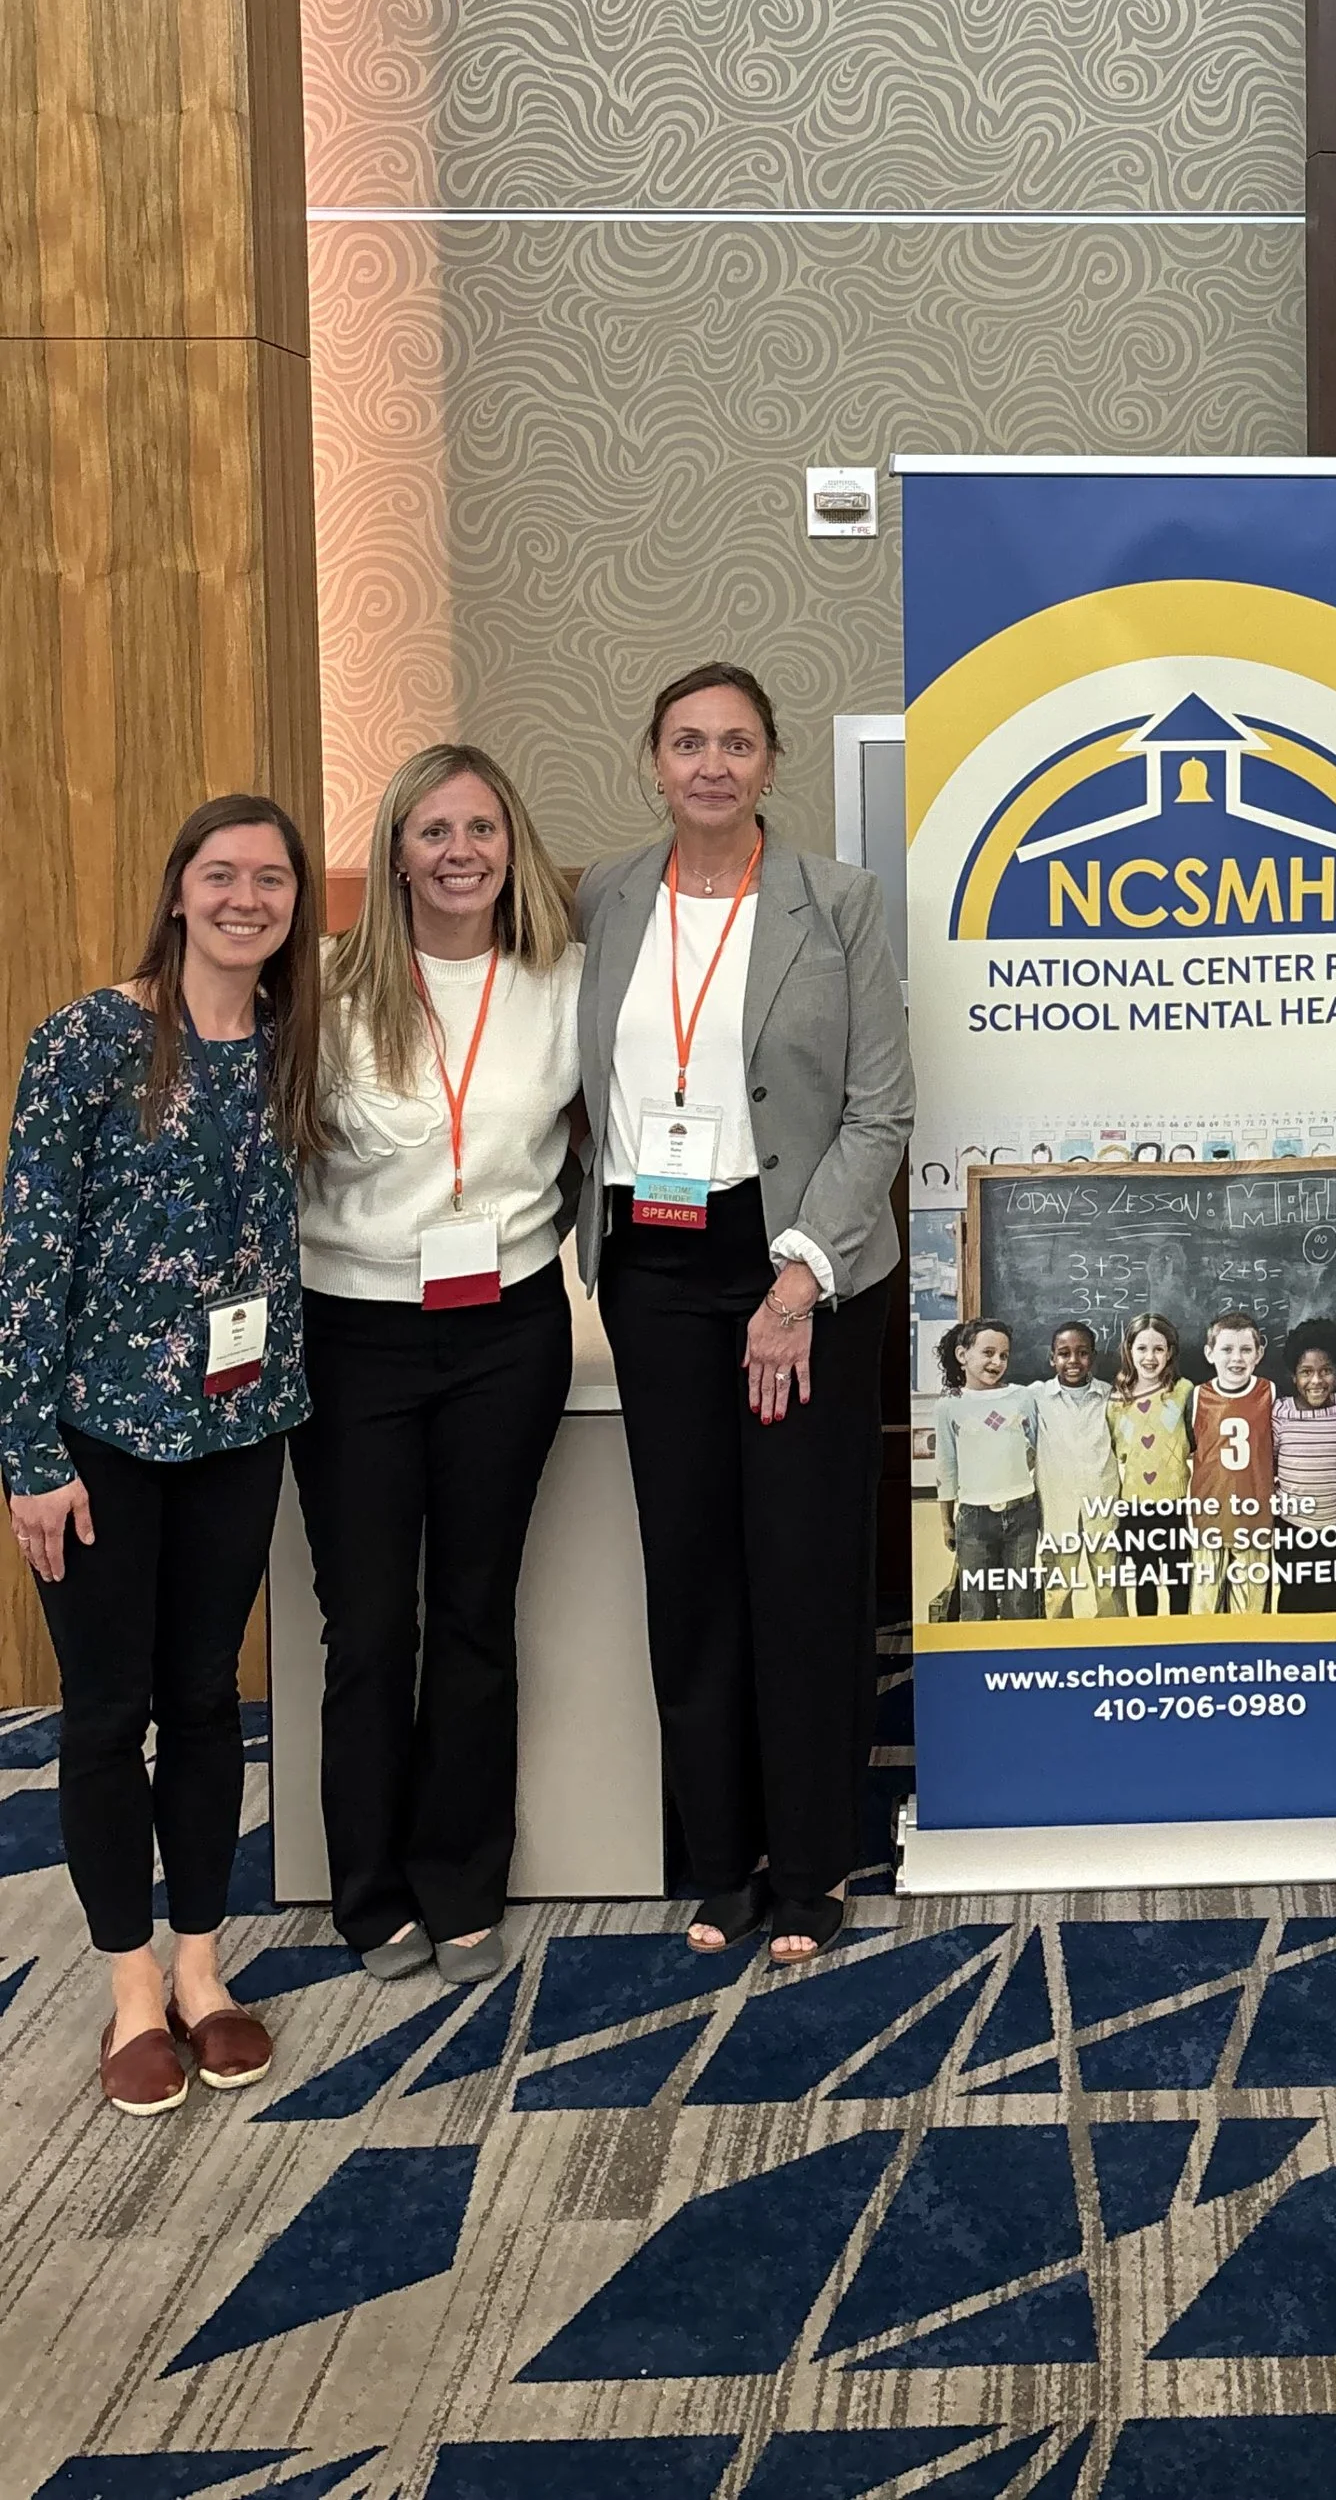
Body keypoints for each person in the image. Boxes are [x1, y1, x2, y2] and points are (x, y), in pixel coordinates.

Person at [577, 663, 912, 1967]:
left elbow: (879, 1110)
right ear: (653, 761)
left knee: (807, 1568)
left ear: (772, 764)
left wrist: (795, 1283)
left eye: (735, 743)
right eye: (685, 742)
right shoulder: (606, 897)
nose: (710, 764)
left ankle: (816, 1862)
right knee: (695, 1568)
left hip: (804, 1268)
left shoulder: (840, 904)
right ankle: (721, 1861)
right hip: (656, 1269)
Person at [2, 797, 328, 2114]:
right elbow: (30, 1255)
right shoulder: (90, 1040)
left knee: (203, 1702)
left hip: (241, 1428)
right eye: (222, 873)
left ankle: (204, 1971)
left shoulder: (299, 1047)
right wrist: (27, 1452)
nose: (248, 896)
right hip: (101, 1433)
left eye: (272, 878)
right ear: (179, 889)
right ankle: (130, 1990)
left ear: (296, 904)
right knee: (105, 1712)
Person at [294, 745, 583, 1984]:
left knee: (475, 1613)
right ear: (396, 850)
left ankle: (464, 1880)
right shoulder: (320, 990)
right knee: (365, 1626)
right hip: (351, 1330)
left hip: (506, 1333)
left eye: (481, 828)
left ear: (511, 844)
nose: (459, 852)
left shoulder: (565, 983)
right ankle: (370, 1890)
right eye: (432, 832)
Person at [933, 1319, 1042, 1623]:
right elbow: (946, 1466)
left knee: (1019, 1601)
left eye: (1004, 1356)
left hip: (1022, 1512)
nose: (997, 1362)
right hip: (974, 1517)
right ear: (962, 1355)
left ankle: (1016, 1666)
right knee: (976, 1602)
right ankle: (977, 1668)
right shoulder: (949, 1406)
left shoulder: (1023, 1397)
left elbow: (1035, 1445)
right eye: (988, 1353)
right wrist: (946, 1521)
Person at [1030, 1318, 1120, 1621]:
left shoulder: (1111, 1396)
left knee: (1109, 1584)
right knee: (1057, 1589)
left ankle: (1116, 1646)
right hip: (1057, 1508)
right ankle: (1058, 1647)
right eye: (1064, 1353)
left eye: (1082, 1353)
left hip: (1103, 1504)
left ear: (1092, 1357)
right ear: (1052, 1357)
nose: (1073, 1361)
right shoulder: (1037, 1397)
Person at [1189, 1310, 1277, 1615]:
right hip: (1208, 1519)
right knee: (1203, 1608)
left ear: (1259, 1354)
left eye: (1245, 1350)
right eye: (1227, 1349)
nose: (1236, 1358)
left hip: (1254, 1519)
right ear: (1209, 1353)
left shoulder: (1270, 1392)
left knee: (1249, 1611)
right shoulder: (1196, 1396)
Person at [1272, 1317, 1336, 1611]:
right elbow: (1269, 1463)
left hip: (1334, 1525)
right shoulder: (1279, 1414)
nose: (1317, 1381)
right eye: (1306, 1372)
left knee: (1331, 1601)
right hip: (1291, 1526)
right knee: (1293, 1599)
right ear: (1294, 1376)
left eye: (1326, 1371)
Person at [1108, 1313, 1192, 1615]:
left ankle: (1181, 1646)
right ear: (1129, 1350)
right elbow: (1118, 1450)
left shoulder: (1183, 1392)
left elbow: (1193, 1442)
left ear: (1169, 1352)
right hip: (1133, 1506)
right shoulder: (1116, 1401)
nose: (1150, 1357)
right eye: (1142, 1348)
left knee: (1179, 1580)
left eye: (1158, 1348)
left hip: (1174, 1503)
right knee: (1144, 1584)